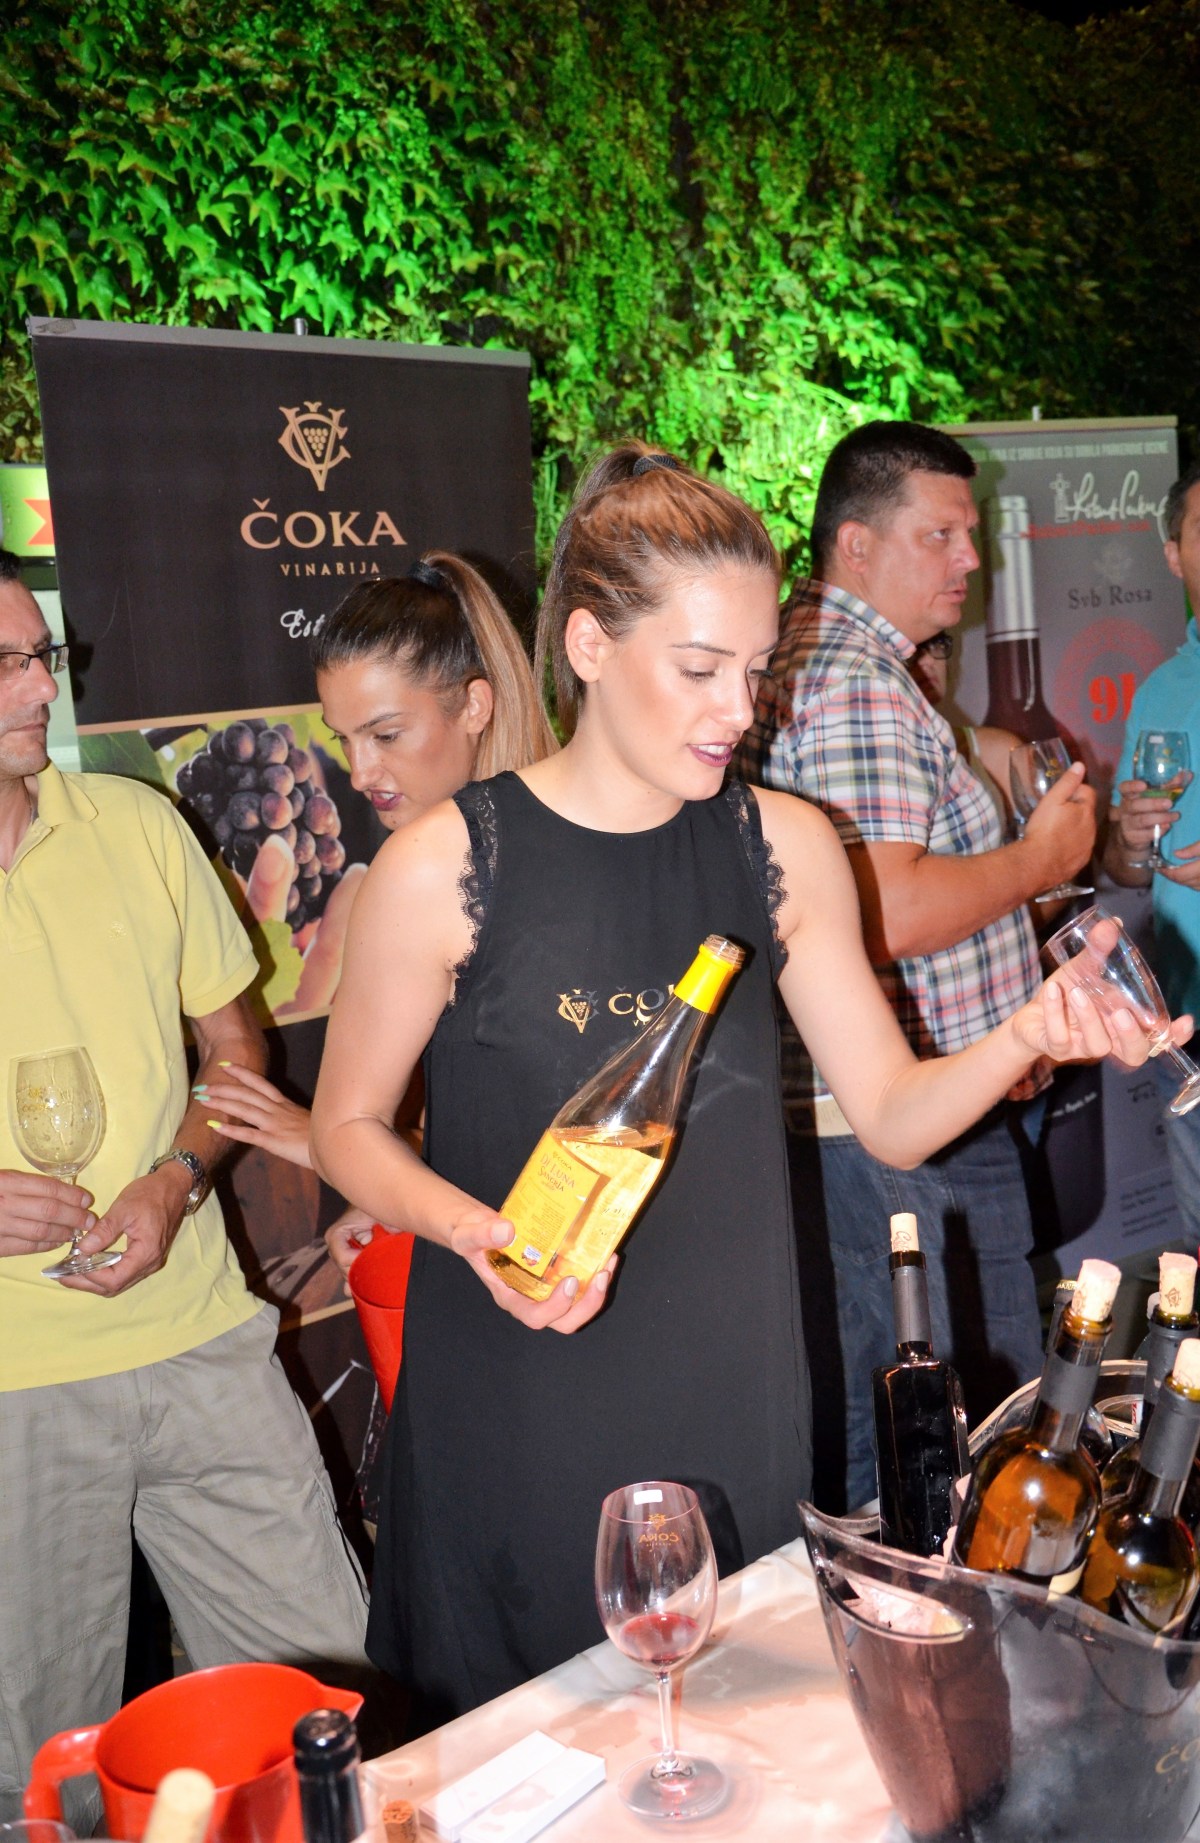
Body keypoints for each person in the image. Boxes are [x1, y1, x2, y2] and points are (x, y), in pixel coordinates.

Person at [309, 442, 1161, 1720]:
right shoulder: (446, 865)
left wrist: (1026, 1032)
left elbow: (893, 1115)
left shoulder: (784, 845)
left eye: (756, 672)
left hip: (734, 1388)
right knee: (526, 1757)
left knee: (729, 1743)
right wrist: (473, 1232)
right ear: (589, 646)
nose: (737, 710)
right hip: (518, 1389)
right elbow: (346, 1126)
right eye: (701, 669)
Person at [0, 550, 369, 1828]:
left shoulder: (139, 825)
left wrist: (175, 1178)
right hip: (16, 1391)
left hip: (205, 1339)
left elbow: (236, 1048)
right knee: (40, 1777)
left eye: (41, 656)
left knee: (326, 1707)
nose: (37, 689)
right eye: (5, 665)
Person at [734, 419, 1099, 1510]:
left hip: (877, 1113)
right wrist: (1040, 864)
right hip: (903, 1126)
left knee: (898, 1417)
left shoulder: (818, 660)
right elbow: (883, 911)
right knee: (957, 1430)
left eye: (970, 534)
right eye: (941, 534)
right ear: (856, 544)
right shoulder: (856, 680)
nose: (970, 558)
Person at [194, 556, 557, 1283]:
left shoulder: (499, 865)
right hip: (498, 1259)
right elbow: (487, 1122)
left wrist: (337, 1142)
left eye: (386, 735)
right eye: (343, 739)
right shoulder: (437, 864)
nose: (360, 774)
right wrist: (382, 1183)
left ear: (475, 706)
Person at [1106, 459, 1200, 1242]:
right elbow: (1124, 864)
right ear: (1174, 554)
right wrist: (1131, 839)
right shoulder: (1159, 691)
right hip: (1189, 1016)